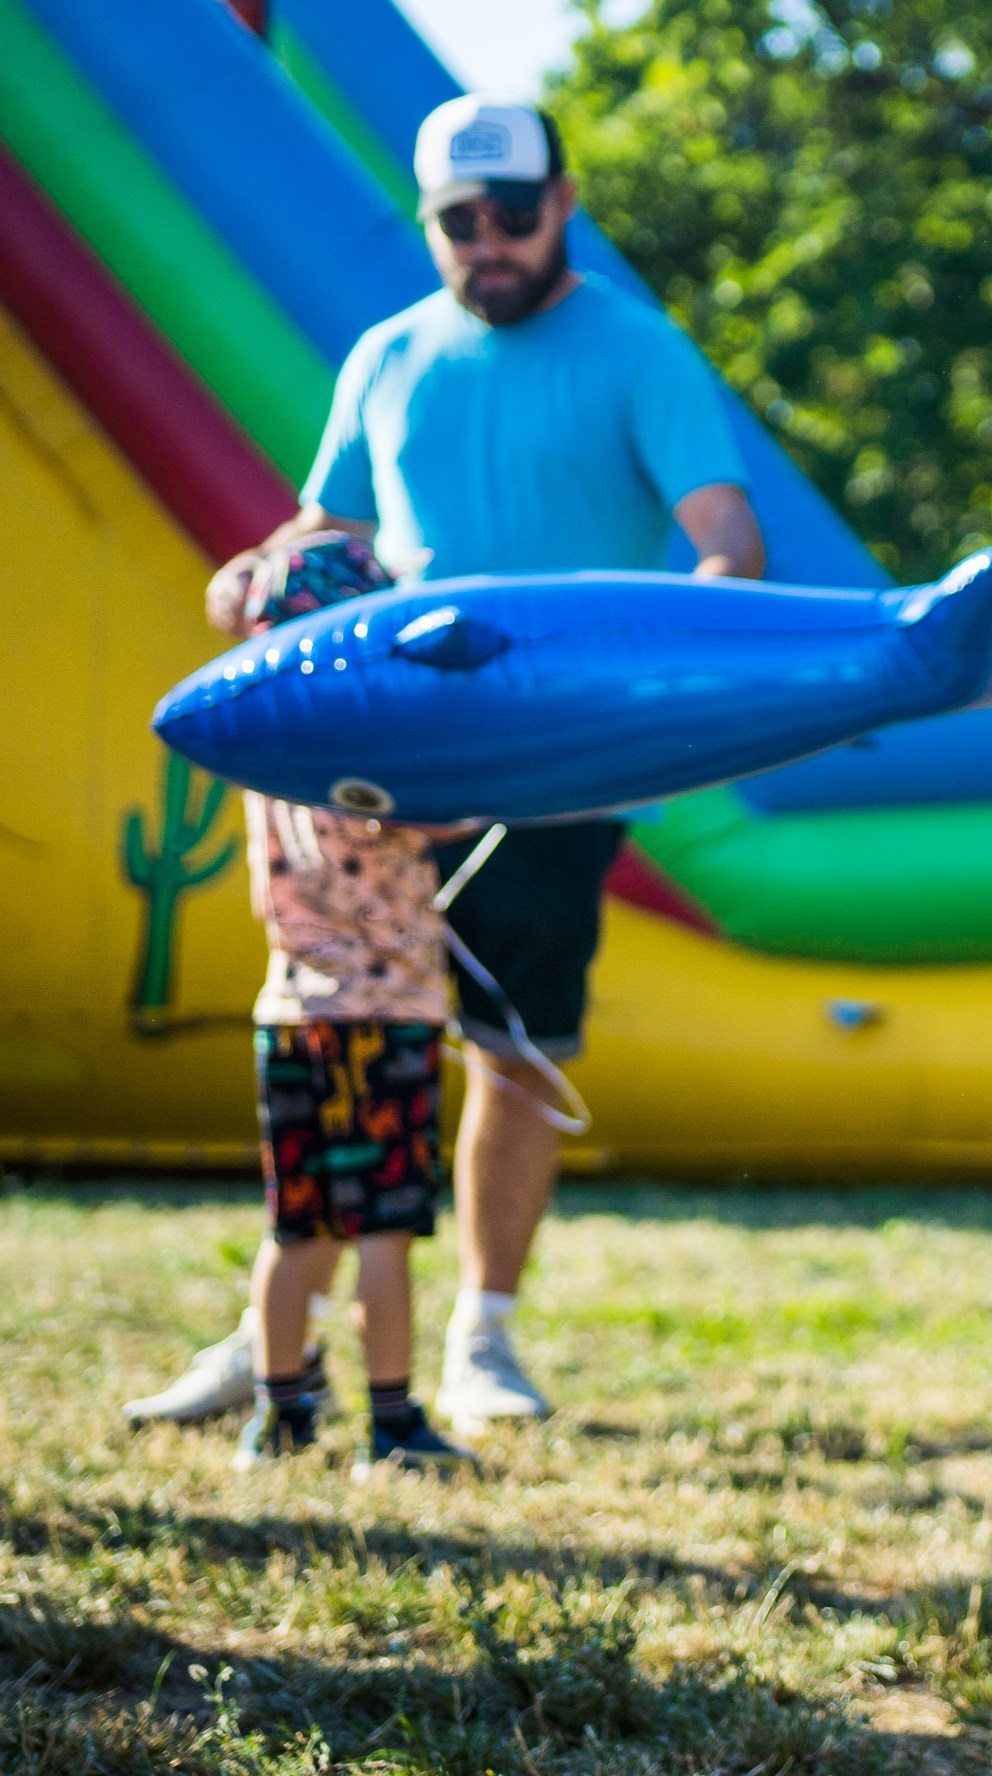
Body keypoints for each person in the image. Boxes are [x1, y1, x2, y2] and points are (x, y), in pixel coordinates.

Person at [127, 94, 764, 1437]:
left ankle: (483, 1337)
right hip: (382, 781)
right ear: (431, 224)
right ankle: (274, 1333)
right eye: (459, 222)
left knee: (514, 1048)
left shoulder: (637, 351)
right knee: (339, 1039)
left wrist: (670, 685)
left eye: (513, 215)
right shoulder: (388, 352)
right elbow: (329, 531)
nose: (489, 243)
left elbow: (729, 545)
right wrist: (260, 569)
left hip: (554, 772)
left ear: (565, 202)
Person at [229, 537, 477, 1479]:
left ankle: (277, 1415)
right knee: (382, 1227)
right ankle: (392, 1423)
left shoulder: (260, 736)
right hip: (389, 1018)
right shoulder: (363, 739)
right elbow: (434, 811)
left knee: (295, 1226)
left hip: (291, 1013)